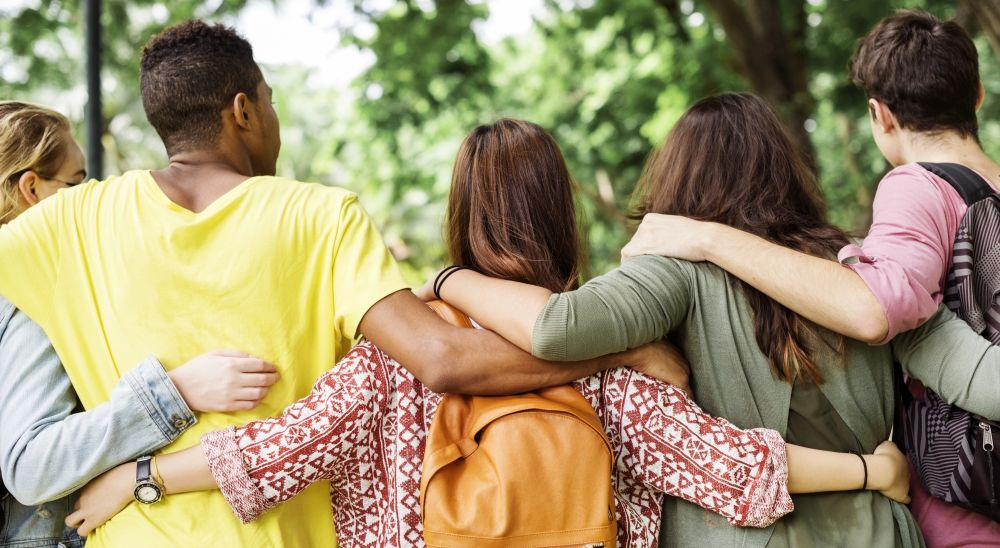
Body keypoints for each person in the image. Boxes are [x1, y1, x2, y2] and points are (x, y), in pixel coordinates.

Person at [0, 21, 721, 547]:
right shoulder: (319, 215)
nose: (274, 119)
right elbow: (439, 358)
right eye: (270, 101)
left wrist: (141, 465)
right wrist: (614, 352)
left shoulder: (65, 223)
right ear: (242, 110)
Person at [67, 119, 912, 548]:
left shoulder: (391, 356)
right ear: (561, 216)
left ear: (459, 213)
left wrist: (137, 478)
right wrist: (875, 469)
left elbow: (273, 453)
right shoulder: (613, 361)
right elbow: (738, 473)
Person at [417, 93, 1000, 547]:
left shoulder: (672, 275)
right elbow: (984, 382)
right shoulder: (861, 274)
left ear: (679, 175)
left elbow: (555, 328)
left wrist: (447, 279)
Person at [621, 10, 1000, 546]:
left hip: (963, 493)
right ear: (978, 96)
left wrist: (707, 238)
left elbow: (875, 308)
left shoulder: (916, 185)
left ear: (879, 115)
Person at [0, 102, 280, 546]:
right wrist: (178, 392)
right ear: (31, 188)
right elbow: (32, 467)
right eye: (75, 183)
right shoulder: (30, 295)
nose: (88, 195)